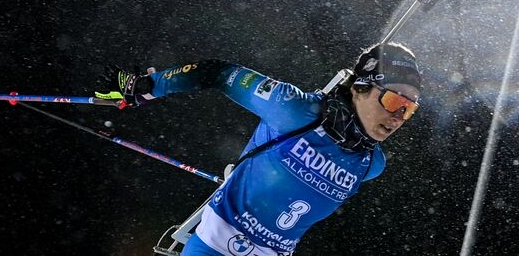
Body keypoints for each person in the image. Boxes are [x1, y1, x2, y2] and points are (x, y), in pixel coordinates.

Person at [101, 42, 422, 256]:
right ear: (360, 88)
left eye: (408, 109)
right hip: (215, 248)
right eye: (393, 100)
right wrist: (148, 87)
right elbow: (218, 72)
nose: (398, 116)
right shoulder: (295, 109)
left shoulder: (371, 165)